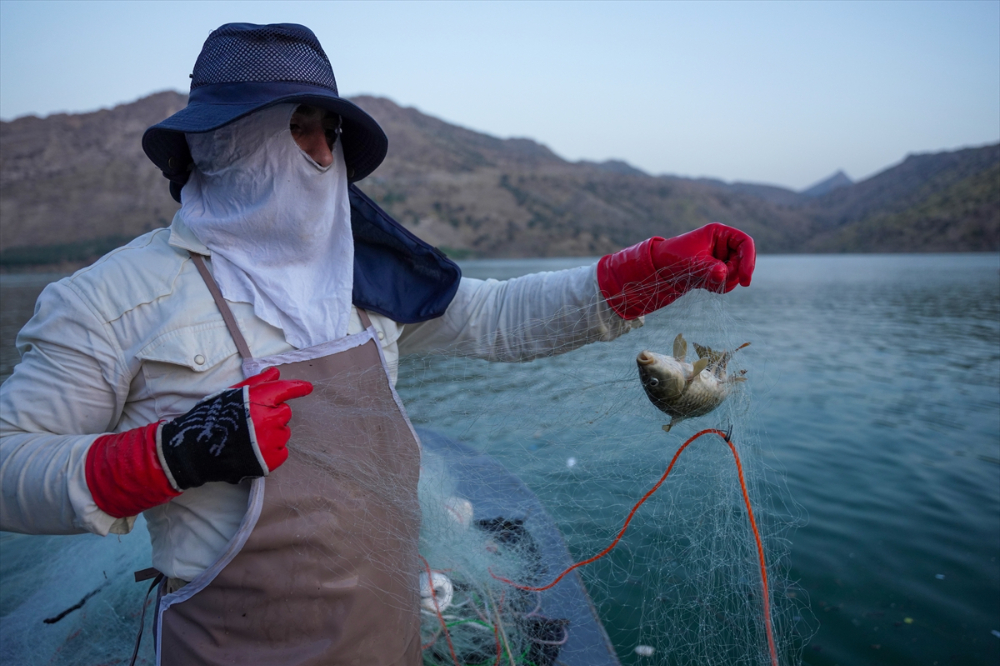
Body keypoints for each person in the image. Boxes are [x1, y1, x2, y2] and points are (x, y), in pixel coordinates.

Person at [0, 22, 755, 665]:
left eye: (329, 132)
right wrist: (169, 455)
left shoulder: (363, 279)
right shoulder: (111, 298)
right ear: (224, 142)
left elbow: (498, 319)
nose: (323, 154)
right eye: (297, 127)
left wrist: (657, 270)